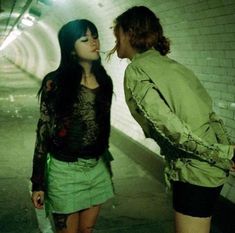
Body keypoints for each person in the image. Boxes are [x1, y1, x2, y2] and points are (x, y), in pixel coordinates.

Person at [109, 6, 235, 233]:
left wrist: (223, 154)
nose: (115, 39)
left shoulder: (138, 70)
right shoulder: (175, 67)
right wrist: (226, 150)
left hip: (193, 169)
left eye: (117, 33)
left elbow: (169, 128)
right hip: (211, 169)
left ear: (128, 33)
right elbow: (211, 114)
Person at [31, 19, 114, 233]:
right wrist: (38, 183)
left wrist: (106, 164)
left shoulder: (105, 81)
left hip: (97, 168)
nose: (94, 42)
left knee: (87, 230)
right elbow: (43, 133)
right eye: (85, 39)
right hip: (65, 171)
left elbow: (103, 126)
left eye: (95, 37)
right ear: (71, 50)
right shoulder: (55, 83)